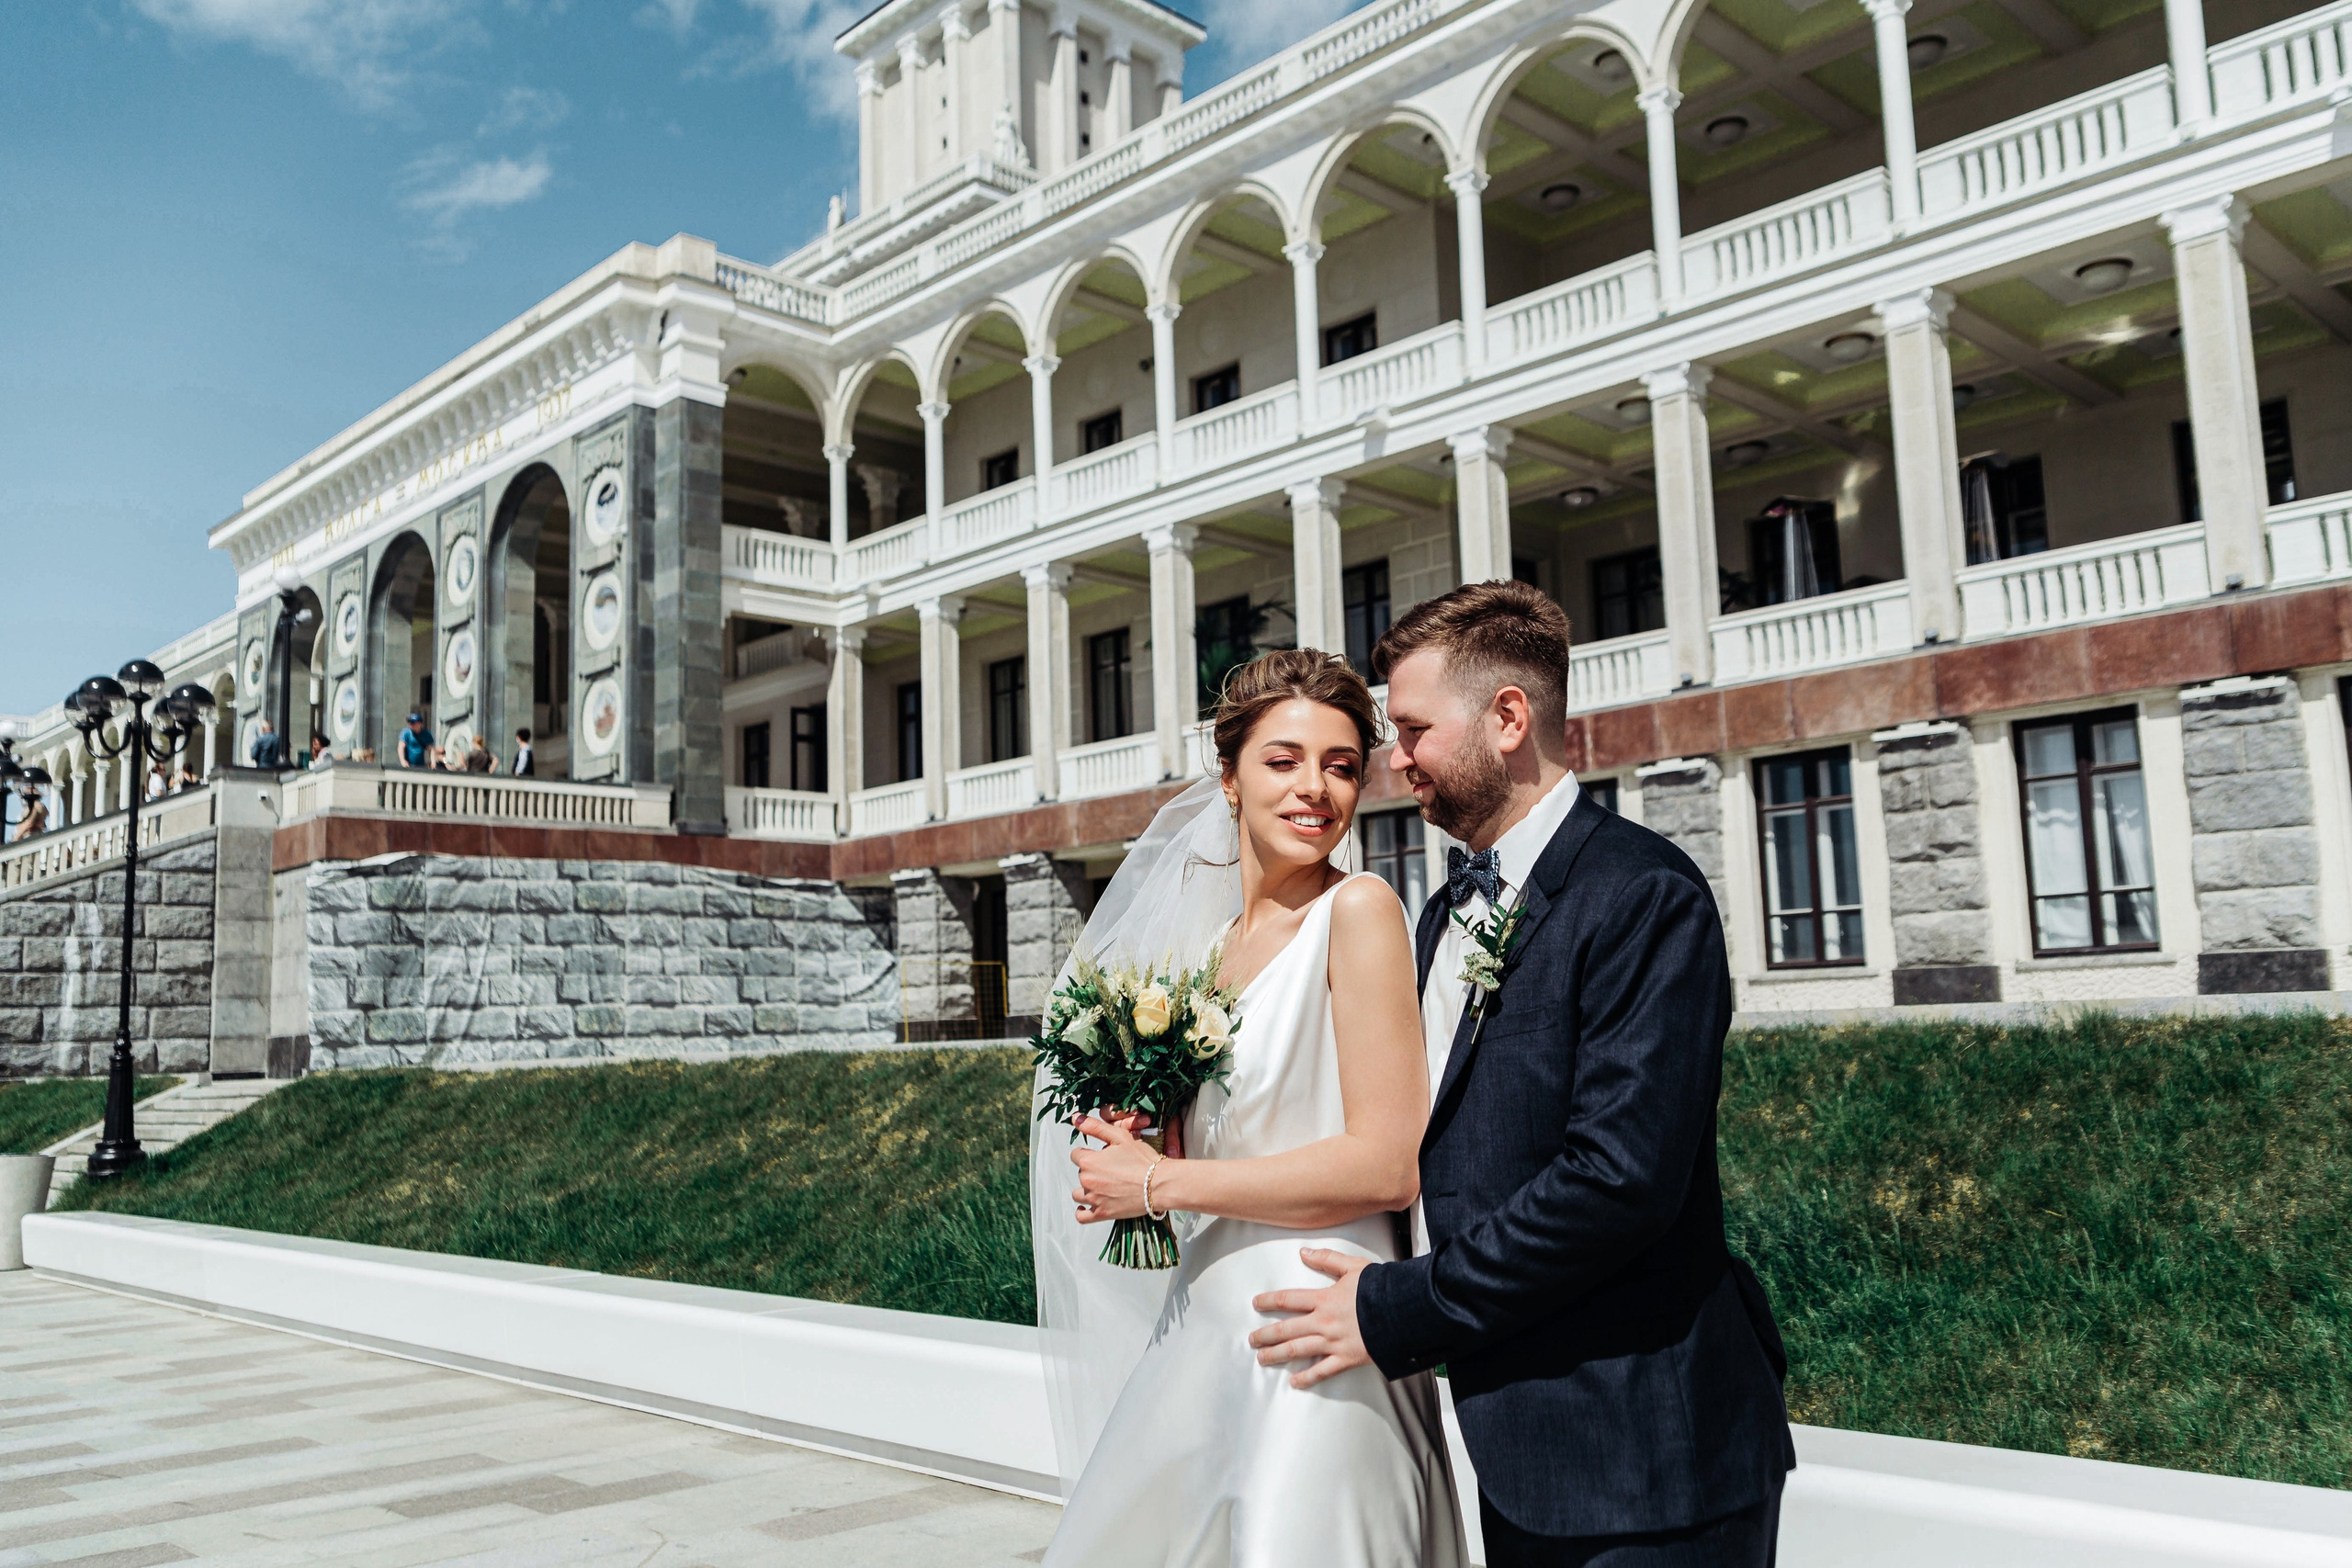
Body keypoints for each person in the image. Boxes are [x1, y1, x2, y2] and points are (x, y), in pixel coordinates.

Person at [1245, 581, 1794, 1568]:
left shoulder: (1642, 896)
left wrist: (1393, 1307)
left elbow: (1616, 1184)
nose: (1393, 759)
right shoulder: (1438, 913)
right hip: (1517, 1447)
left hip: (1644, 1456)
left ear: (1507, 718)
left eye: (1410, 729)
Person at [1044, 649, 1466, 1567]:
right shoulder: (1207, 953)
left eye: (1341, 764)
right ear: (1228, 778)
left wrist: (1155, 1181)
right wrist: (1137, 1137)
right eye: (1283, 760)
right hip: (1203, 1327)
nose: (1314, 788)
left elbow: (1386, 1166)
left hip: (1312, 1333)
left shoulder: (1358, 910)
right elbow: (1232, 1140)